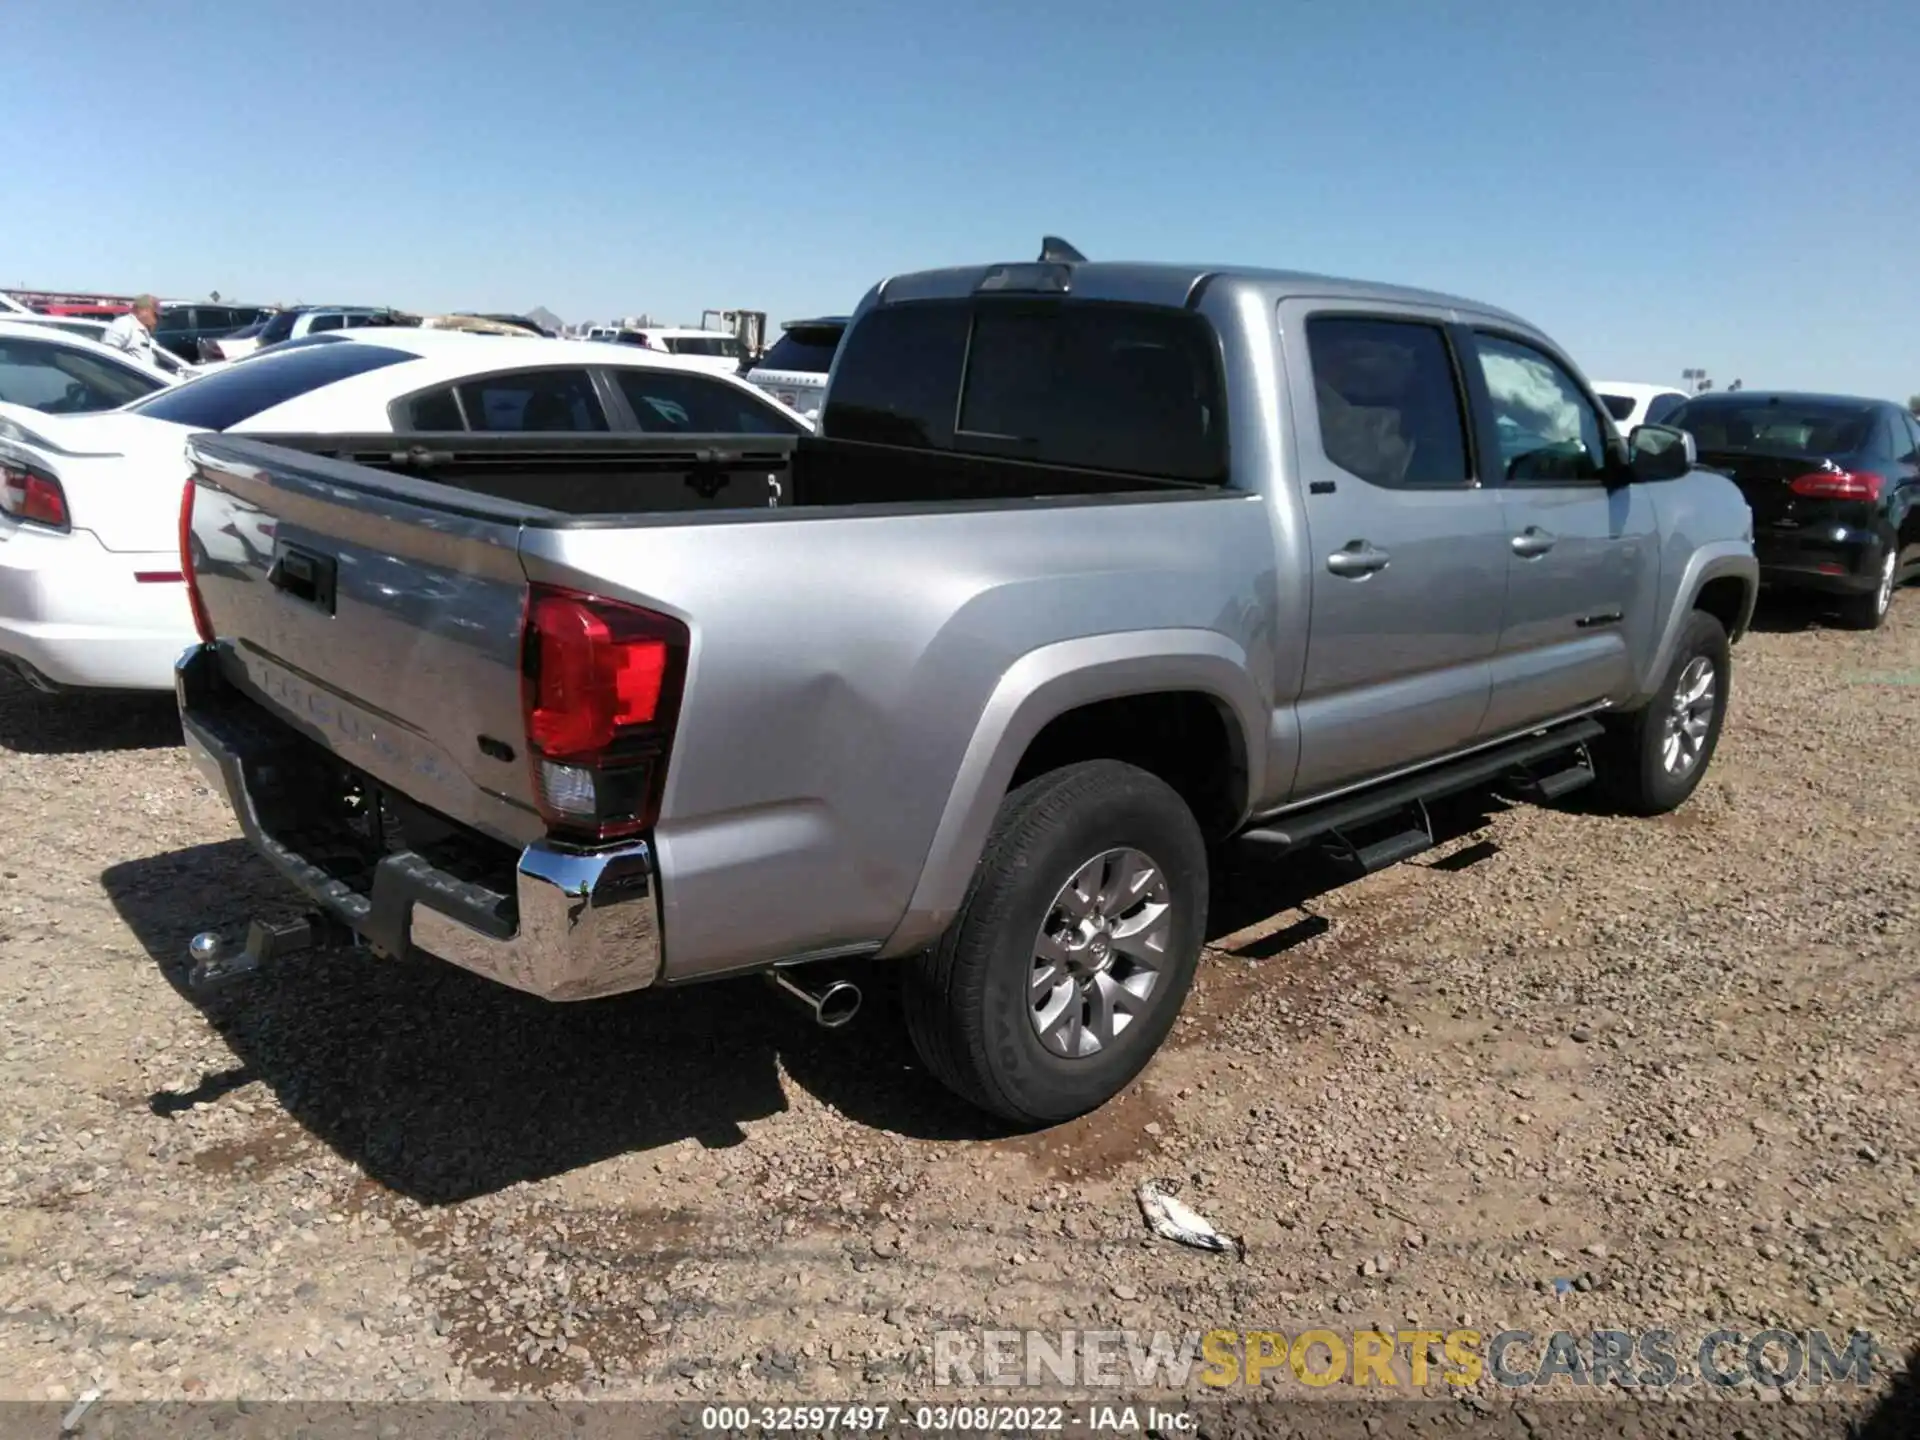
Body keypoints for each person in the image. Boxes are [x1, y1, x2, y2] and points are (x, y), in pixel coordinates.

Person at [100, 294, 160, 366]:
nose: (156, 321)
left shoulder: (143, 331)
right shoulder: (124, 324)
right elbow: (108, 355)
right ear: (144, 311)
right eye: (155, 315)